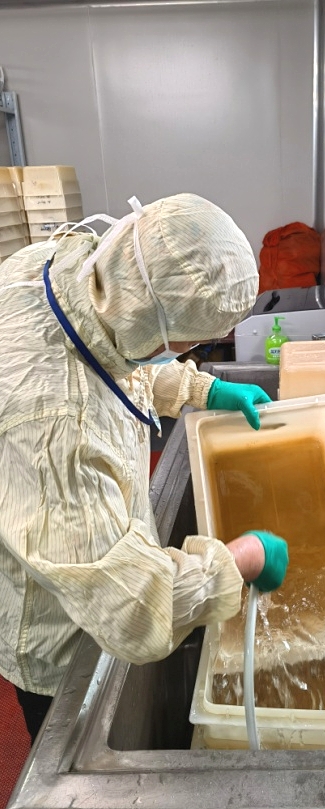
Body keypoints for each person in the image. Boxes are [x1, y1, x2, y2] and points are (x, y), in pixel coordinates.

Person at [0, 193, 289, 743]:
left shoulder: (73, 271)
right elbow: (134, 607)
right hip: (60, 627)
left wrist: (202, 388)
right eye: (191, 341)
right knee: (68, 754)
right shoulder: (59, 431)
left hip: (66, 530)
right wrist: (241, 558)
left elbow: (112, 347)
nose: (193, 348)